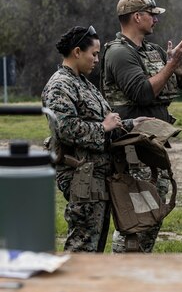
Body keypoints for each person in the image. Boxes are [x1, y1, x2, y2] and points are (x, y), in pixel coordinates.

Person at [101, 0, 182, 253]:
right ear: (137, 16)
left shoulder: (152, 50)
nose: (155, 19)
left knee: (155, 209)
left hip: (155, 144)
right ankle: (123, 267)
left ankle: (139, 263)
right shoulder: (119, 53)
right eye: (151, 14)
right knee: (136, 213)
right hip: (133, 148)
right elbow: (141, 93)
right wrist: (170, 64)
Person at [42, 26, 141, 252]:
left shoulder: (84, 83)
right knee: (82, 247)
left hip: (98, 176)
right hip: (81, 177)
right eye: (94, 54)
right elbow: (65, 128)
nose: (97, 59)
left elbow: (105, 124)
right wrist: (103, 127)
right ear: (77, 52)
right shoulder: (60, 85)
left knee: (94, 247)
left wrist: (129, 124)